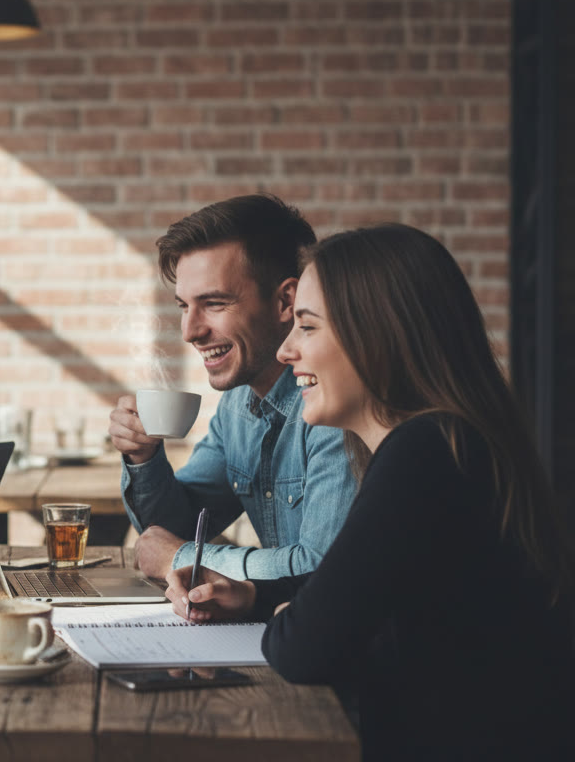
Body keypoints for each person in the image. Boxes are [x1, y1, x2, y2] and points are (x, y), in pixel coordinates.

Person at [164, 224, 575, 758]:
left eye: (307, 328)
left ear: (377, 334)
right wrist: (260, 597)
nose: (287, 350)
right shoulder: (442, 442)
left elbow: (305, 650)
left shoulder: (426, 453)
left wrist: (293, 615)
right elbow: (358, 596)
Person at [109, 194, 358, 580]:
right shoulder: (240, 405)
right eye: (183, 306)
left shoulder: (336, 406)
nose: (191, 331)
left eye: (214, 303)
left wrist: (185, 558)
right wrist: (143, 458)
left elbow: (322, 570)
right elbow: (172, 530)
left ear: (284, 302)